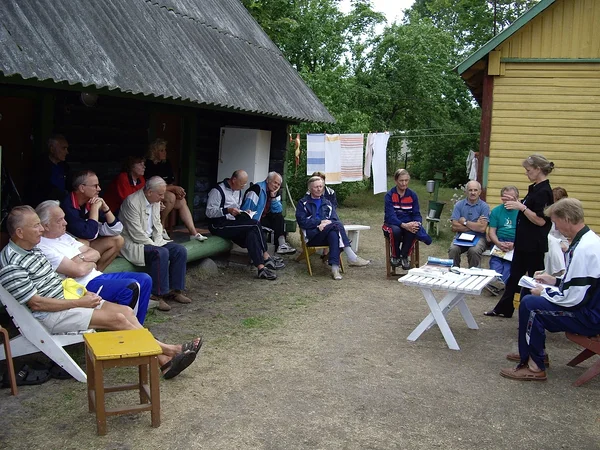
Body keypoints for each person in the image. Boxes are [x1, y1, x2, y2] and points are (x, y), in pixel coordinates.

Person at [0, 206, 201, 379]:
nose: (41, 229)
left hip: (68, 299)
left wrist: (82, 294)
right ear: (19, 232)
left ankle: (164, 363)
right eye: (35, 225)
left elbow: (56, 282)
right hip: (51, 314)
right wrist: (80, 303)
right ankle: (170, 350)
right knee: (119, 320)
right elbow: (37, 304)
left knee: (126, 312)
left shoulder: (32, 250)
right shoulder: (12, 263)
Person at [500, 198, 600, 382]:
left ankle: (534, 366)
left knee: (531, 304)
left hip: (590, 317)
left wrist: (544, 291)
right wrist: (554, 280)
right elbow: (582, 284)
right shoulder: (588, 240)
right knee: (531, 299)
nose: (554, 227)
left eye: (555, 222)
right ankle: (536, 353)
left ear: (567, 219)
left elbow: (573, 298)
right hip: (591, 308)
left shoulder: (584, 249)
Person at [35, 200, 151, 324]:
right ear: (46, 225)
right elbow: (78, 271)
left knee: (145, 279)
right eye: (60, 220)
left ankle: (137, 326)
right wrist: (87, 261)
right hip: (82, 286)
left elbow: (95, 253)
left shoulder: (64, 236)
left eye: (64, 218)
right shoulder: (43, 246)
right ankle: (123, 328)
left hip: (96, 276)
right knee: (130, 287)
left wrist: (80, 260)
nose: (65, 223)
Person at [485, 155, 554, 318]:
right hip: (522, 242)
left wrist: (521, 207)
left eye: (528, 170)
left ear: (538, 169)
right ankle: (504, 308)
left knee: (534, 279)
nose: (526, 173)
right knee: (515, 277)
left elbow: (541, 221)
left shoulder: (545, 192)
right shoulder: (534, 188)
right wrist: (516, 201)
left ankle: (535, 312)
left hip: (534, 244)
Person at [119, 177, 192, 311]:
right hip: (134, 243)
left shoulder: (155, 200)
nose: (163, 197)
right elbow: (136, 234)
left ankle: (176, 290)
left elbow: (157, 225)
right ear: (149, 192)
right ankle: (157, 296)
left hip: (152, 240)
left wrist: (159, 241)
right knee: (160, 253)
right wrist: (156, 245)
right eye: (160, 194)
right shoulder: (132, 202)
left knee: (179, 250)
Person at [206, 170, 284, 280]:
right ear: (234, 180)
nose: (244, 186)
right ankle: (266, 256)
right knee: (255, 224)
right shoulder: (217, 190)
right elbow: (209, 212)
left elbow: (238, 207)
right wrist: (227, 210)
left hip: (232, 222)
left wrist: (243, 212)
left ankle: (261, 269)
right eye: (242, 183)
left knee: (251, 233)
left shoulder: (237, 191)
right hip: (218, 224)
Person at [296, 176, 370, 280]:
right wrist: (319, 223)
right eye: (316, 187)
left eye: (321, 186)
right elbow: (302, 221)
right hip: (313, 236)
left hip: (327, 233)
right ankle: (351, 256)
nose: (319, 189)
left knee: (334, 233)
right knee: (336, 226)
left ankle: (335, 269)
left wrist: (326, 224)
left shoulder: (327, 203)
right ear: (310, 188)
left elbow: (335, 219)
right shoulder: (303, 203)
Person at [60, 170, 124, 271]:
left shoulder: (90, 202)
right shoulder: (68, 205)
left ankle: (97, 273)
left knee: (118, 240)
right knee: (84, 242)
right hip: (68, 253)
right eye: (95, 185)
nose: (99, 189)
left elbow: (118, 229)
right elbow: (90, 234)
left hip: (86, 247)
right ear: (82, 188)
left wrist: (106, 208)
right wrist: (95, 209)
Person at [144, 138, 207, 242]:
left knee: (182, 201)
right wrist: (173, 189)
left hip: (165, 192)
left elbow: (169, 183)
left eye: (165, 150)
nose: (165, 152)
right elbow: (151, 187)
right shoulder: (149, 165)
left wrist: (178, 191)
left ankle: (193, 233)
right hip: (152, 194)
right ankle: (161, 227)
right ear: (154, 152)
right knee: (171, 197)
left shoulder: (166, 163)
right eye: (161, 150)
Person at [382, 169, 432, 270]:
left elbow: (416, 214)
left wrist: (416, 223)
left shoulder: (412, 195)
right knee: (396, 230)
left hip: (408, 222)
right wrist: (404, 225)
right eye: (401, 180)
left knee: (413, 229)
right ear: (396, 181)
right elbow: (390, 216)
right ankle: (395, 256)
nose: (404, 183)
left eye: (406, 180)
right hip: (391, 224)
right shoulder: (389, 195)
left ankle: (404, 256)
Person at [241, 171, 296, 255]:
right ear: (267, 180)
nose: (276, 186)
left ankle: (281, 245)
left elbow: (278, 210)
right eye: (275, 182)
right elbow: (246, 209)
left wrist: (273, 197)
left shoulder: (275, 192)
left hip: (263, 217)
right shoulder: (257, 189)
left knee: (279, 217)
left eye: (278, 184)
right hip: (254, 219)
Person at [448, 181, 490, 268]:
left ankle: (473, 275)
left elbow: (482, 229)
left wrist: (465, 222)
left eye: (475, 190)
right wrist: (475, 225)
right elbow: (454, 227)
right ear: (466, 192)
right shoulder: (459, 205)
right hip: (461, 236)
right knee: (453, 249)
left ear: (479, 192)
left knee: (474, 250)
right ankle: (454, 273)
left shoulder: (484, 206)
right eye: (470, 190)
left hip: (479, 237)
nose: (473, 193)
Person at [26, 134, 71, 206]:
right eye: (63, 148)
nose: (67, 152)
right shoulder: (39, 167)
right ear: (52, 149)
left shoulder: (65, 167)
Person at [488, 185, 520, 285]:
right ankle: (495, 281)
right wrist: (498, 243)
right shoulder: (496, 211)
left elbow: (525, 233)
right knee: (495, 261)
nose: (508, 201)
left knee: (509, 264)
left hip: (516, 240)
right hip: (499, 240)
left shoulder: (521, 212)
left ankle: (500, 283)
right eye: (505, 198)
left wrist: (515, 244)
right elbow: (492, 231)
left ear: (516, 198)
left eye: (511, 198)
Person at [544, 187, 569, 276]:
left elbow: (567, 235)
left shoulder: (567, 215)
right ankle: (560, 271)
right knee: (552, 244)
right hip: (548, 240)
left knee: (556, 246)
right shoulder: (546, 213)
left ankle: (555, 274)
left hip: (562, 241)